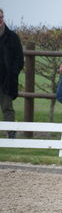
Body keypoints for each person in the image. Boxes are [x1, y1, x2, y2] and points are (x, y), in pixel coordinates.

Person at [0, 8, 24, 139]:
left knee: (7, 108)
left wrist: (12, 74)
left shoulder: (12, 37)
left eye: (1, 17)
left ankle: (11, 135)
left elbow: (19, 59)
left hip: (6, 80)